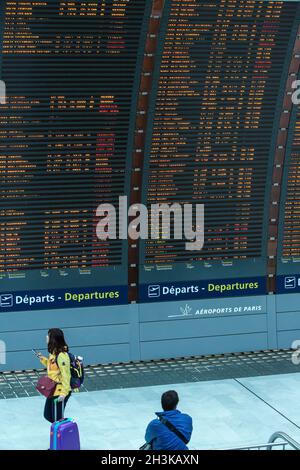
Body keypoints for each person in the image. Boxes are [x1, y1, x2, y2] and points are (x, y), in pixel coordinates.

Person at [36, 328, 72, 423]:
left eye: (48, 335)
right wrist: (42, 359)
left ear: (53, 338)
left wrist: (64, 393)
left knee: (57, 420)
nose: (46, 337)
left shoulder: (62, 356)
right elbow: (52, 367)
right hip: (52, 389)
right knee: (48, 415)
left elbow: (66, 375)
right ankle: (60, 433)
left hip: (60, 391)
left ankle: (64, 435)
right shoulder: (53, 353)